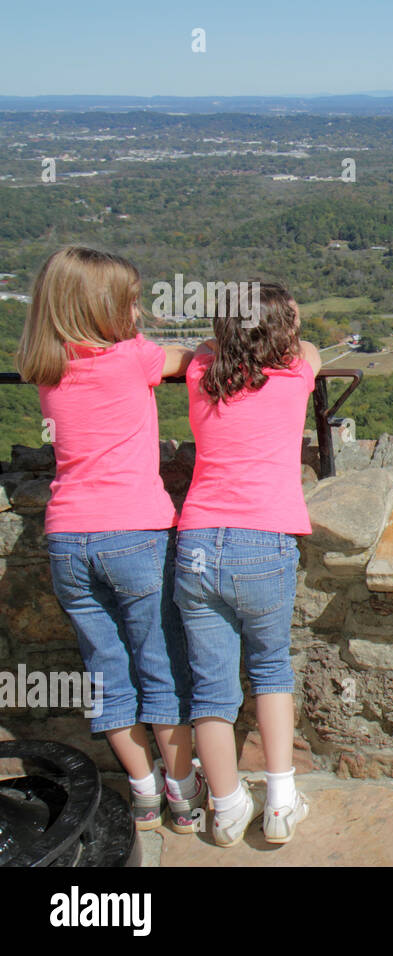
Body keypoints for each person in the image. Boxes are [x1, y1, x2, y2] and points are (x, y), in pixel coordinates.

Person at [16, 246, 205, 832]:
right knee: (161, 665)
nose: (140, 309)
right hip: (135, 533)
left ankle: (142, 791)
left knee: (105, 672)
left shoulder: (47, 368)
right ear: (104, 308)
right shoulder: (130, 358)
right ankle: (182, 790)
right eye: (130, 300)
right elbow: (189, 358)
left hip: (68, 539)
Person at [175, 280, 320, 847]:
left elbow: (205, 352)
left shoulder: (198, 378)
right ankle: (281, 802)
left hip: (197, 543)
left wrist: (223, 342)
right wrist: (292, 336)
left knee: (210, 687)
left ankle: (226, 806)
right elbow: (308, 353)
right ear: (286, 334)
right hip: (264, 542)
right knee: (270, 670)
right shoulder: (293, 379)